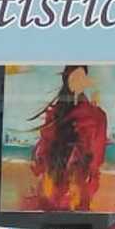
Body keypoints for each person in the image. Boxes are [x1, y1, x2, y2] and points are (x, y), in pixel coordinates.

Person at [29, 65, 109, 211]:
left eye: (82, 77)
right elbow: (45, 147)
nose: (79, 81)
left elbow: (96, 158)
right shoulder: (55, 115)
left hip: (77, 186)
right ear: (66, 80)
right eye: (75, 77)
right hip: (54, 184)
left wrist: (89, 181)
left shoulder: (96, 116)